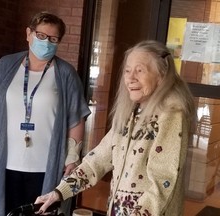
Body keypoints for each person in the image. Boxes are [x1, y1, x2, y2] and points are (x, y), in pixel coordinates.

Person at [35, 40, 196, 216]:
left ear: (161, 75)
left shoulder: (171, 114)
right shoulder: (131, 113)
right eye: (127, 70)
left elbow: (163, 180)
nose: (130, 77)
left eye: (140, 70)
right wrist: (59, 192)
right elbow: (98, 159)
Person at [0, 12, 91, 216]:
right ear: (28, 34)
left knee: (40, 211)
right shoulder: (5, 65)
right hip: (5, 160)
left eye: (53, 39)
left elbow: (76, 118)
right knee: (1, 209)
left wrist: (72, 158)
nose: (46, 42)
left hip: (45, 163)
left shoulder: (65, 73)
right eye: (41, 36)